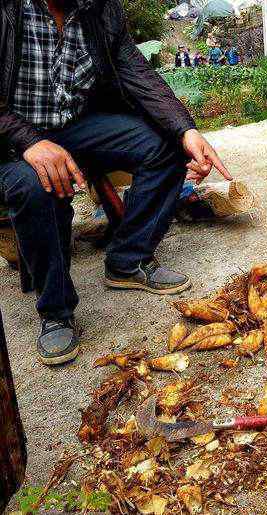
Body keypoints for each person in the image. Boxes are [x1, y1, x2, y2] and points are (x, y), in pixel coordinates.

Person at [0, 0, 232, 366]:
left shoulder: (101, 8)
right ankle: (56, 310)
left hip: (75, 126)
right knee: (34, 186)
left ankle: (128, 261)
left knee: (166, 145)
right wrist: (29, 141)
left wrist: (187, 131)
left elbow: (139, 74)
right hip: (12, 140)